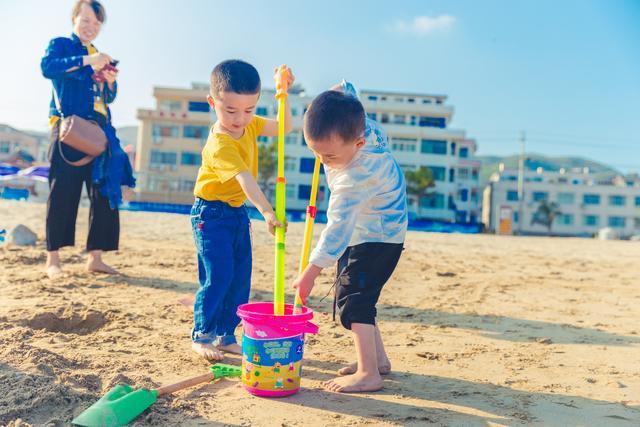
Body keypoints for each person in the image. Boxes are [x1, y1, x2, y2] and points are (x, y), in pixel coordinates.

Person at [292, 87, 408, 393]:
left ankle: (369, 373)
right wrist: (334, 91)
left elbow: (337, 230)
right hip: (376, 230)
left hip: (376, 237)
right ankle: (378, 360)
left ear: (358, 142)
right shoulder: (362, 124)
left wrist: (310, 272)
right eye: (314, 150)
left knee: (354, 300)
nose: (322, 160)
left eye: (328, 155)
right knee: (362, 296)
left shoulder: (354, 177)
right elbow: (346, 88)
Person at [190, 60, 294, 360]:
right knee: (218, 274)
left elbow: (284, 127)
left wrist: (281, 93)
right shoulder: (220, 143)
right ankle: (202, 333)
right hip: (210, 216)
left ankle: (226, 334)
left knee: (240, 276)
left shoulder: (249, 124)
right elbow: (245, 179)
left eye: (249, 110)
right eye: (231, 111)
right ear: (213, 103)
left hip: (235, 213)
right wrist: (267, 211)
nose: (240, 119)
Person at [40, 0, 135, 279]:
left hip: (100, 130)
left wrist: (109, 82)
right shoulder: (61, 45)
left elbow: (109, 98)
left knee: (105, 191)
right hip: (70, 127)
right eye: (85, 21)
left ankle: (96, 257)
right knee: (62, 192)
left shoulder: (99, 54)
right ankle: (53, 260)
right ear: (74, 19)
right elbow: (48, 67)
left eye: (96, 23)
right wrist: (87, 61)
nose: (90, 27)